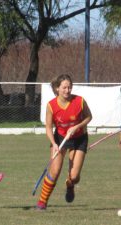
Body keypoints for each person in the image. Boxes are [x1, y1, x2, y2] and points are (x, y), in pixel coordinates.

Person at [36, 74, 92, 210]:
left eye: (69, 87)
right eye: (64, 87)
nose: (67, 90)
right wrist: (54, 143)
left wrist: (77, 127)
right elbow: (48, 127)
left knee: (74, 176)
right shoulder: (51, 105)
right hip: (60, 139)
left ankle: (70, 184)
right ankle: (42, 203)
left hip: (79, 139)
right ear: (57, 88)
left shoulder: (80, 101)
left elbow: (89, 117)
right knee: (54, 171)